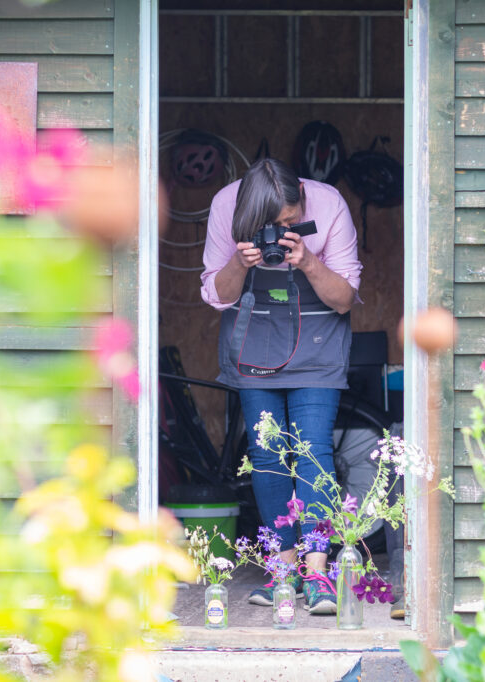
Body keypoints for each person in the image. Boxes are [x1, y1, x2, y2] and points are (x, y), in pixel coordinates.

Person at [200, 158, 362, 615]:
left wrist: (307, 260)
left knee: (312, 449)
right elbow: (216, 295)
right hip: (254, 340)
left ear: (302, 206)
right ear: (248, 216)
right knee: (267, 454)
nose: (279, 232)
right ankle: (283, 572)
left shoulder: (328, 204)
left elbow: (345, 298)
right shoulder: (225, 205)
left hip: (317, 340)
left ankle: (318, 574)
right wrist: (238, 260)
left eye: (289, 224)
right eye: (269, 227)